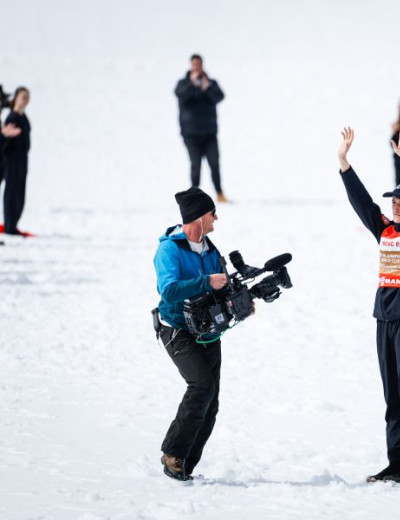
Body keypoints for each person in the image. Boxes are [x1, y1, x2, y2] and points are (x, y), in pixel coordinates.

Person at [338, 125, 400, 485]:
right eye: (392, 202)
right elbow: (363, 204)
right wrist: (345, 164)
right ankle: (396, 461)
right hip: (384, 319)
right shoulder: (385, 230)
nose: (393, 206)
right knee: (392, 397)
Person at [153, 187, 230, 481]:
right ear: (198, 217)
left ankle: (186, 465)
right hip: (176, 329)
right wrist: (206, 281)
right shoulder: (169, 250)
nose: (216, 219)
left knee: (211, 401)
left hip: (207, 330)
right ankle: (173, 454)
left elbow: (221, 289)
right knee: (201, 387)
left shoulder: (211, 249)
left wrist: (239, 304)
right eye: (212, 213)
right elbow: (169, 291)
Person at [175, 54, 227, 202]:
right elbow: (181, 95)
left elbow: (220, 97)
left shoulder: (210, 83)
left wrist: (207, 88)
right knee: (196, 165)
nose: (197, 66)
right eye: (194, 63)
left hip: (209, 133)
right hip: (191, 134)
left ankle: (220, 193)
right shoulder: (183, 84)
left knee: (214, 163)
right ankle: (195, 197)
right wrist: (192, 85)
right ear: (191, 65)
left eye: (199, 63)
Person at [3, 87, 31, 236]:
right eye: (23, 97)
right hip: (12, 161)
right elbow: (4, 143)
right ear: (16, 98)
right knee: (12, 192)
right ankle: (9, 225)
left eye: (28, 97)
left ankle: (13, 224)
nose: (26, 100)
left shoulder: (23, 117)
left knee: (20, 193)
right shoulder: (12, 118)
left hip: (22, 160)